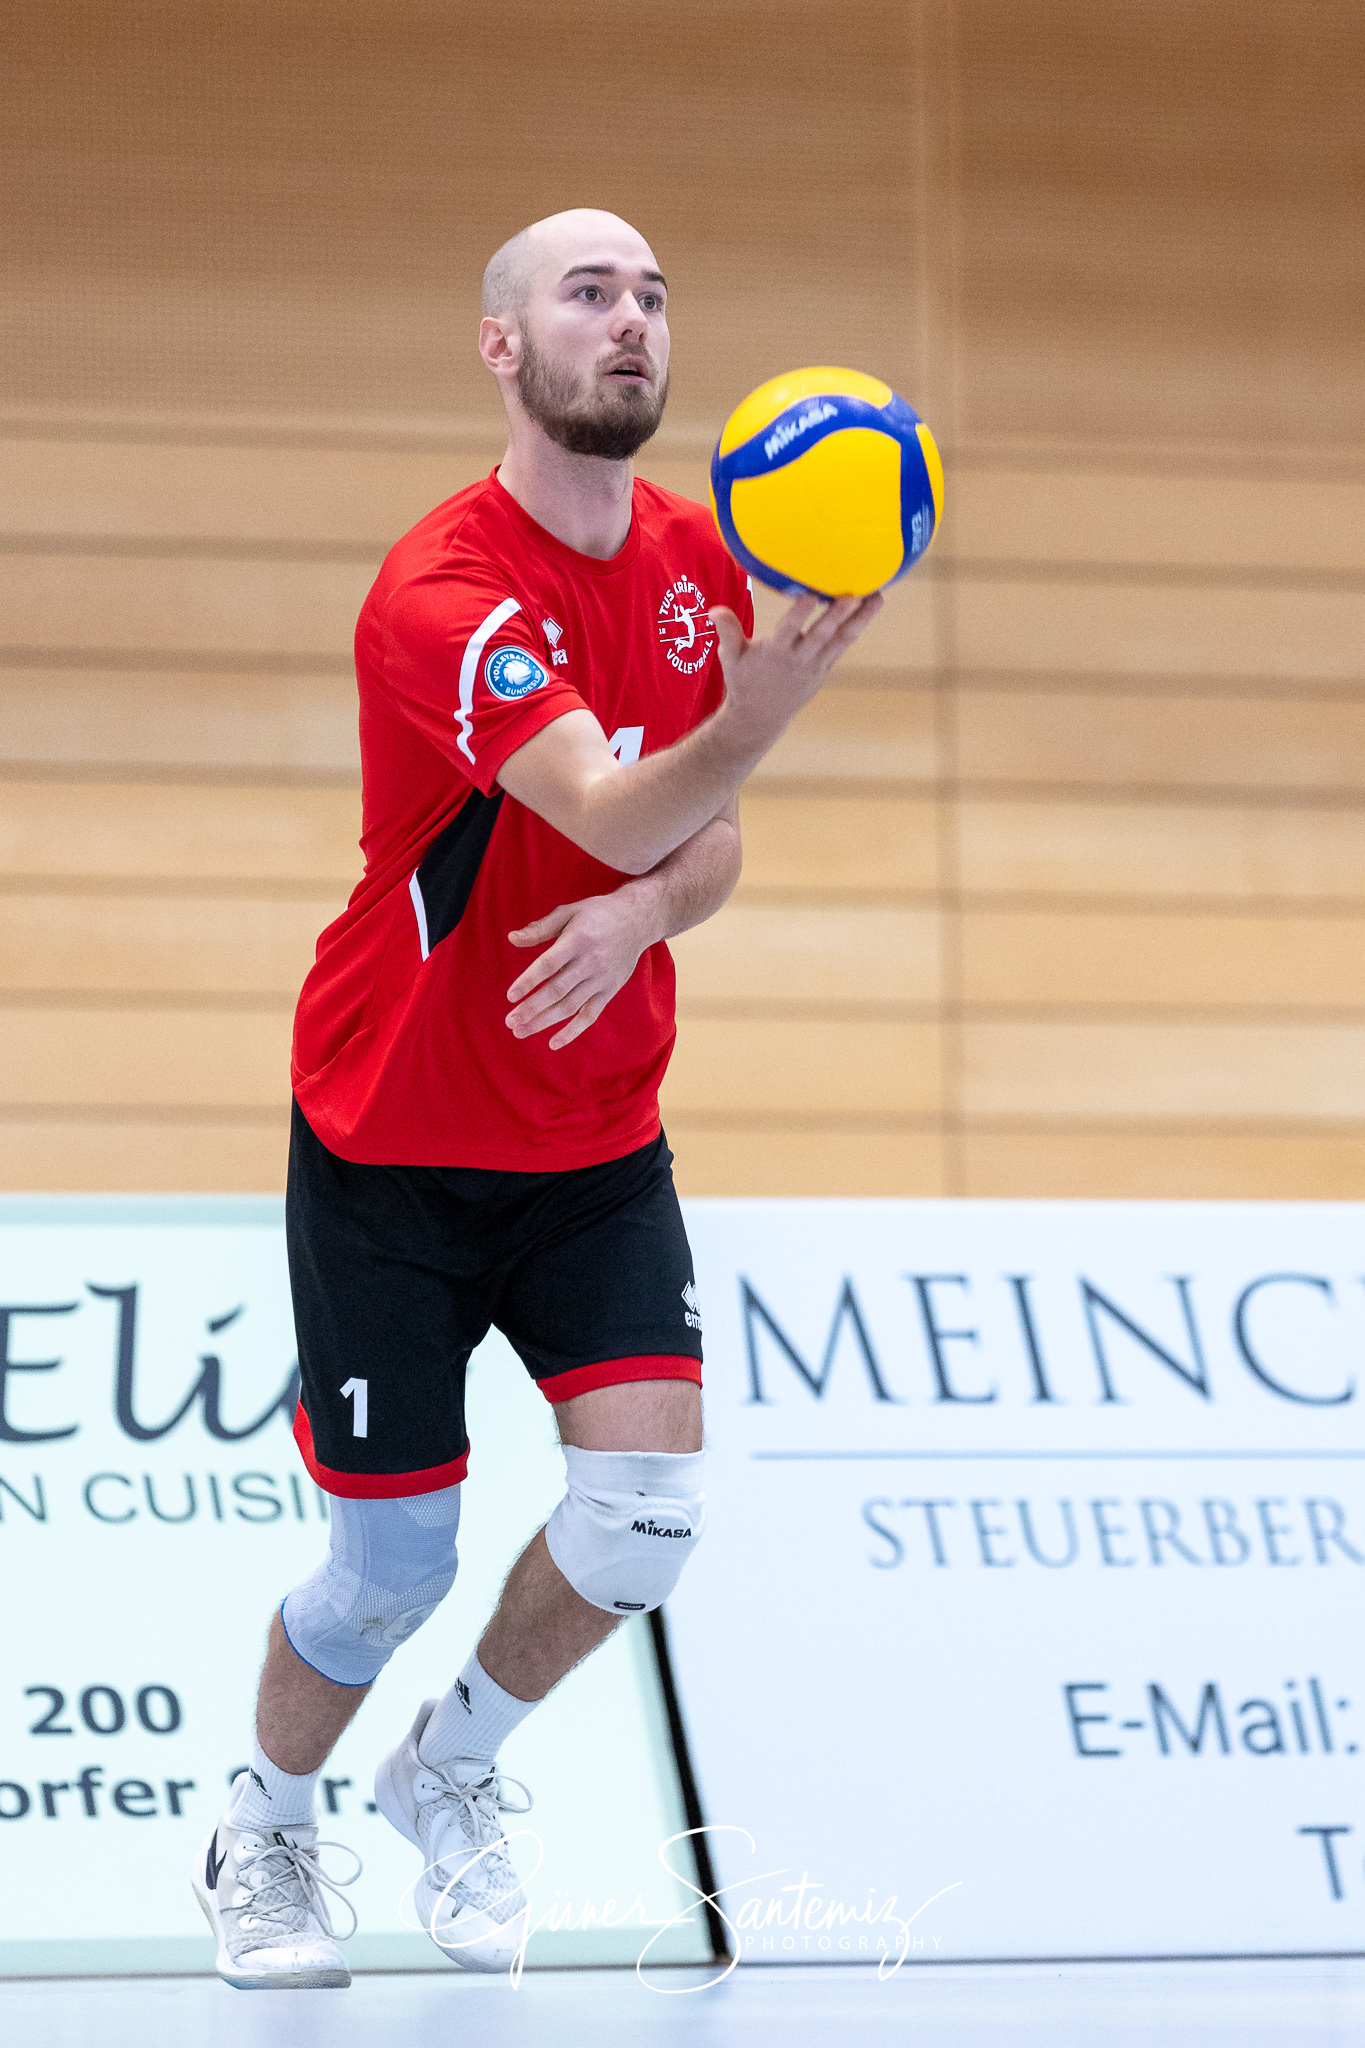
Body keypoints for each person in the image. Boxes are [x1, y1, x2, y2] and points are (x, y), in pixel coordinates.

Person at [191, 206, 882, 1990]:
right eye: (589, 294)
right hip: (391, 1140)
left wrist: (655, 906)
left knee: (646, 1521)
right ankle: (263, 1827)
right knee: (382, 1575)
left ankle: (450, 1774)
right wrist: (758, 724)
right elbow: (613, 796)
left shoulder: (690, 554)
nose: (633, 320)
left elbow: (694, 846)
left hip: (592, 1143)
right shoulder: (445, 591)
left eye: (654, 294)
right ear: (504, 346)